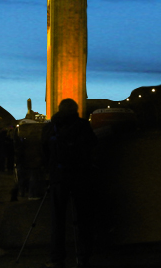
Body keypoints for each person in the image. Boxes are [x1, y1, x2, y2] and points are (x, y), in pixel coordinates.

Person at [43, 99, 97, 268]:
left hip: (58, 178)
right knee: (83, 219)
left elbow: (44, 153)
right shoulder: (83, 126)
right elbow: (92, 148)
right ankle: (83, 257)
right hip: (80, 177)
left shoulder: (49, 128)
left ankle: (56, 258)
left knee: (57, 220)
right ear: (77, 109)